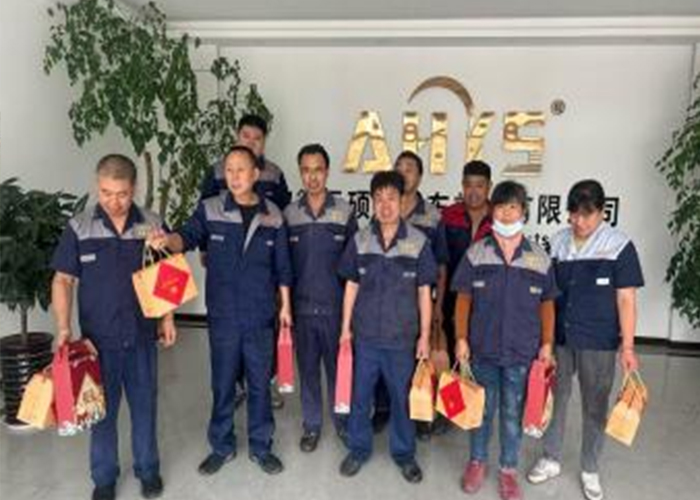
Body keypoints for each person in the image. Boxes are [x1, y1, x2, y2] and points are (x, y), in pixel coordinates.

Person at [147, 145, 292, 476]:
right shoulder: (210, 209)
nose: (234, 176)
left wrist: (285, 307)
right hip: (224, 315)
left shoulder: (273, 214)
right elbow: (186, 237)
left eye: (241, 170)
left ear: (255, 174)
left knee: (259, 384)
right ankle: (222, 446)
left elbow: (283, 266)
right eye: (229, 170)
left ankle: (261, 446)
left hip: (261, 316)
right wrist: (166, 240)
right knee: (223, 384)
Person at [51, 154, 177, 500]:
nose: (113, 201)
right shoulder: (80, 227)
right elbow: (62, 280)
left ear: (133, 188)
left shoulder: (151, 224)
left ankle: (148, 470)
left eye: (121, 194)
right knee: (100, 414)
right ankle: (104, 478)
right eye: (106, 193)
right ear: (98, 186)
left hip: (141, 337)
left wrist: (167, 318)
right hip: (97, 343)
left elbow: (166, 273)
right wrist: (63, 329)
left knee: (144, 408)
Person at [527, 180, 644, 500]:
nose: (578, 221)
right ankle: (550, 457)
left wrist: (628, 347)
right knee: (555, 399)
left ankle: (590, 468)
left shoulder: (619, 246)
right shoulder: (558, 242)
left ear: (602, 212)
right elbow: (547, 295)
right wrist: (544, 339)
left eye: (586, 215)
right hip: (561, 338)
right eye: (574, 214)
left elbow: (626, 299)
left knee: (595, 405)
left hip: (598, 340)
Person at [452, 180, 558, 500]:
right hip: (482, 350)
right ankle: (477, 462)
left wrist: (547, 343)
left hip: (521, 352)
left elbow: (547, 303)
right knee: (481, 412)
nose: (507, 214)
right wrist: (460, 338)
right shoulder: (477, 253)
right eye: (500, 207)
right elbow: (463, 299)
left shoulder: (538, 257)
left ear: (523, 211)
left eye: (513, 207)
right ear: (491, 211)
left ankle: (508, 469)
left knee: (512, 414)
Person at [337, 171, 437, 484]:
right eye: (378, 199)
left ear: (402, 201)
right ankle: (358, 449)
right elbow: (351, 285)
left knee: (401, 399)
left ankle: (404, 454)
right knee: (360, 397)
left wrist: (424, 336)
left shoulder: (418, 242)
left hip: (401, 340)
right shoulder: (360, 240)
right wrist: (345, 329)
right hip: (366, 337)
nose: (385, 205)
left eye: (391, 198)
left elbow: (424, 292)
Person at [283, 143, 357, 452]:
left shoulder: (344, 212)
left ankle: (343, 424)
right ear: (300, 173)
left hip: (336, 309)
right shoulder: (289, 214)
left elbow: (355, 267)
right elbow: (283, 266)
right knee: (308, 371)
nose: (312, 177)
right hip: (302, 309)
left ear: (327, 172)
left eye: (318, 170)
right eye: (306, 170)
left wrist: (350, 316)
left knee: (339, 370)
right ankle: (311, 426)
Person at [370, 150, 448, 439]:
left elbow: (441, 264)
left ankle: (418, 416)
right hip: (386, 301)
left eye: (410, 168)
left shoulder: (432, 216)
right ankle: (382, 409)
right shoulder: (383, 209)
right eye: (399, 167)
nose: (404, 172)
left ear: (420, 176)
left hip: (420, 301)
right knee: (382, 357)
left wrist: (438, 306)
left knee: (419, 359)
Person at [438, 160, 493, 368]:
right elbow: (440, 264)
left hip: (487, 305)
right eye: (468, 185)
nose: (473, 191)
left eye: (479, 185)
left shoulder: (499, 219)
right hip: (451, 302)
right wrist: (437, 307)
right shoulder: (448, 216)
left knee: (481, 368)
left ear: (489, 187)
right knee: (452, 367)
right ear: (462, 185)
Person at [199, 114, 292, 209]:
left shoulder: (275, 174)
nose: (250, 143)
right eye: (246, 136)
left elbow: (283, 210)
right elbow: (205, 207)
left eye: (257, 138)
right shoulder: (217, 171)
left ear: (264, 141)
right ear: (237, 136)